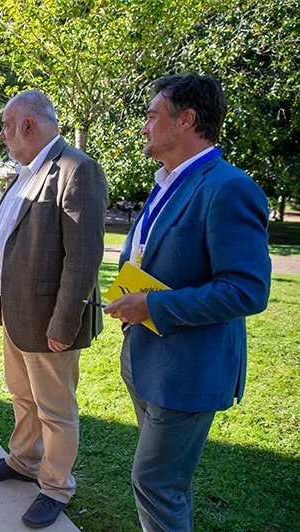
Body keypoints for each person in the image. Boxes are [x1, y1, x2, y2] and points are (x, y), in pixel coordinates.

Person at [104, 74, 271, 532]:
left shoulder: (228, 187)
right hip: (146, 362)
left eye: (152, 116)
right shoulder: (167, 183)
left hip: (188, 371)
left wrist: (152, 308)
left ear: (187, 120)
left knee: (155, 483)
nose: (144, 127)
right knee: (169, 483)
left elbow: (247, 290)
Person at [0, 90, 108, 529]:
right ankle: (23, 460)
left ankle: (55, 486)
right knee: (22, 396)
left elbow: (83, 258)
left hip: (49, 322)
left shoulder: (77, 169)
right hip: (17, 315)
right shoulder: (26, 172)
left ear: (28, 126)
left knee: (55, 409)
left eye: (6, 127)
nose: (2, 135)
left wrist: (64, 324)